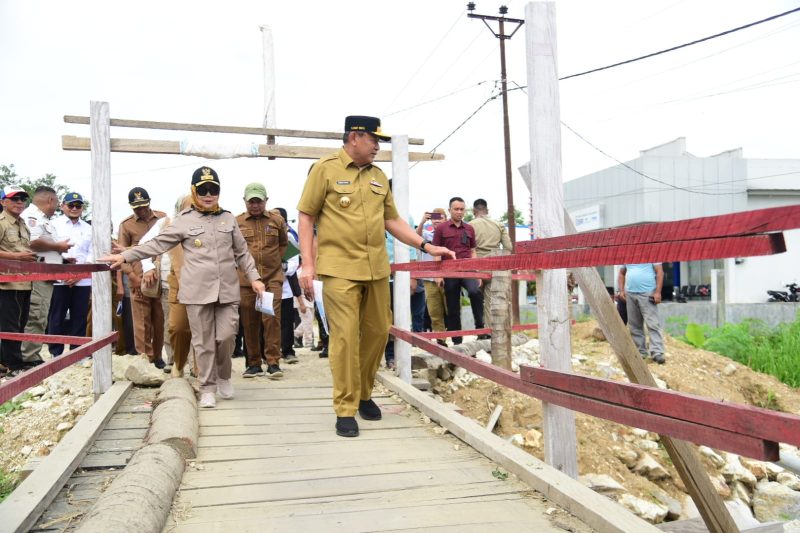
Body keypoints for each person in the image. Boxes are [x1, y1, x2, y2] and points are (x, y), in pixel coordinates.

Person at [297, 115, 454, 438]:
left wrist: (427, 245)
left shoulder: (379, 177)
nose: (377, 147)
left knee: (378, 333)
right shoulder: (324, 169)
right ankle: (345, 407)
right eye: (374, 140)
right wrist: (307, 265)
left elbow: (392, 220)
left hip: (376, 271)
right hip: (339, 270)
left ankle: (364, 392)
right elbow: (306, 215)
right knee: (344, 338)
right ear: (355, 137)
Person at [101, 167, 265, 408]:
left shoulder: (228, 218)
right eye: (203, 190)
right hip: (197, 291)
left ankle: (224, 375)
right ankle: (207, 386)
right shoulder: (183, 221)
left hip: (227, 290)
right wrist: (126, 257)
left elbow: (242, 252)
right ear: (194, 191)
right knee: (203, 341)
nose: (209, 194)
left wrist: (254, 277)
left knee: (227, 336)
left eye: (214, 189)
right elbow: (156, 244)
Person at [236, 183, 288, 379]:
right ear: (245, 201)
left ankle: (273, 362)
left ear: (266, 201)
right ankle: (254, 363)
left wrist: (274, 262)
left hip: (272, 278)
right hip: (246, 280)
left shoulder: (277, 220)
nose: (255, 205)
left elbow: (283, 243)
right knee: (250, 321)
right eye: (251, 201)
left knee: (272, 319)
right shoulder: (237, 222)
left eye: (259, 201)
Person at [20, 186, 72, 365]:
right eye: (57, 202)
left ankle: (31, 354)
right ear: (50, 200)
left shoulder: (44, 219)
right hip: (37, 275)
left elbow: (45, 249)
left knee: (40, 315)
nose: (57, 206)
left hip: (46, 275)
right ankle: (29, 357)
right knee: (35, 315)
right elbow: (32, 243)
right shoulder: (32, 217)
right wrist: (58, 247)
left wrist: (63, 259)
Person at [117, 187, 167, 368]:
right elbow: (121, 255)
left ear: (149, 202)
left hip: (160, 276)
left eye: (144, 206)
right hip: (138, 278)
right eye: (137, 208)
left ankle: (158, 356)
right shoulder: (126, 225)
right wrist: (131, 276)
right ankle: (145, 357)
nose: (141, 210)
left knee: (159, 319)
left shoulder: (163, 218)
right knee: (141, 321)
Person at [433, 196, 487, 344]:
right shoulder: (441, 229)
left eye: (462, 209)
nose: (459, 212)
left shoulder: (469, 228)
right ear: (450, 210)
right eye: (456, 209)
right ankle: (457, 340)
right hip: (449, 271)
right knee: (453, 305)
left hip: (467, 269)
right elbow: (436, 252)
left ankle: (480, 330)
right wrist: (438, 275)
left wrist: (477, 273)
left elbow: (473, 251)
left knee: (475, 292)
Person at [47, 192, 93, 356]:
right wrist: (65, 273)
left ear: (82, 208)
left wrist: (79, 275)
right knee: (57, 315)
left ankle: (77, 352)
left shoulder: (89, 228)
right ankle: (56, 352)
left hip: (83, 279)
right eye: (71, 205)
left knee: (79, 316)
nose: (74, 208)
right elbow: (50, 250)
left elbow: (92, 253)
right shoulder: (53, 225)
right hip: (59, 278)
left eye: (78, 205)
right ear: (62, 206)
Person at [0, 186, 38, 375]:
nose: (19, 202)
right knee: (10, 325)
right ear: (3, 201)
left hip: (25, 281)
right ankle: (13, 365)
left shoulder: (23, 223)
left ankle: (9, 362)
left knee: (21, 323)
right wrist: (18, 258)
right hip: (7, 282)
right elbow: (16, 254)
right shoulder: (1, 222)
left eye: (23, 199)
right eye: (14, 198)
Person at [470, 198, 512, 320]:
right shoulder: (499, 225)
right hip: (496, 266)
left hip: (477, 267)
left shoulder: (470, 226)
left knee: (477, 302)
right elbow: (508, 247)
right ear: (487, 210)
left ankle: (481, 330)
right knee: (493, 301)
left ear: (474, 211)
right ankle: (491, 332)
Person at [618, 263, 665, 364]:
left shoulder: (651, 251)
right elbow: (621, 273)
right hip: (630, 294)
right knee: (634, 325)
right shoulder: (628, 254)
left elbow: (660, 272)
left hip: (648, 293)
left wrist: (657, 292)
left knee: (652, 324)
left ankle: (657, 352)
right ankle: (641, 352)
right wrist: (621, 290)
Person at [416, 207, 448, 346]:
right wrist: (422, 221)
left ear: (445, 219)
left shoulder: (450, 234)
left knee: (450, 309)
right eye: (434, 217)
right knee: (434, 311)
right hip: (429, 278)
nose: (437, 220)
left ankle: (454, 336)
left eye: (440, 217)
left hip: (448, 277)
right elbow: (415, 237)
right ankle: (441, 340)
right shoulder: (427, 234)